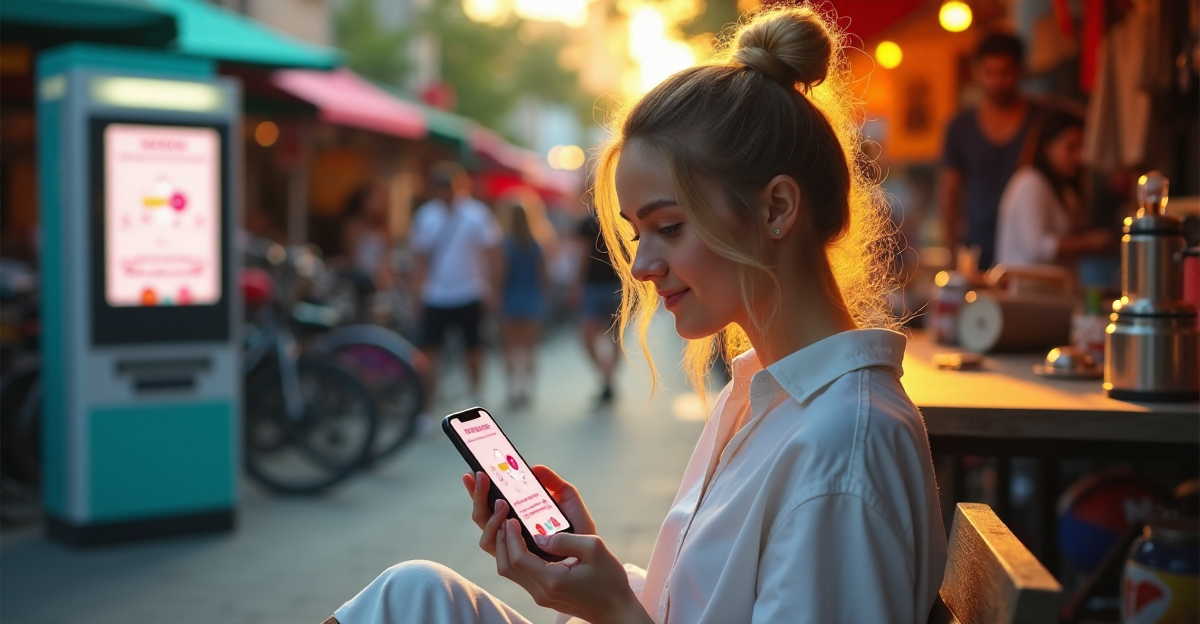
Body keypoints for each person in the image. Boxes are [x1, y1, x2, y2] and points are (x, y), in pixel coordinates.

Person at [328, 6, 946, 623]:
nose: (642, 266)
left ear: (776, 208)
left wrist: (616, 609)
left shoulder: (843, 445)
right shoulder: (774, 392)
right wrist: (594, 572)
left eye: (669, 227)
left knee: (404, 602)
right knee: (412, 594)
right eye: (637, 232)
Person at [940, 32, 1040, 270]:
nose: (997, 82)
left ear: (1020, 71)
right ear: (976, 72)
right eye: (989, 73)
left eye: (1005, 73)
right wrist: (952, 253)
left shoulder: (1040, 120)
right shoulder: (959, 127)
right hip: (978, 251)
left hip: (1030, 251)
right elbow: (949, 194)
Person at [409, 161, 502, 407]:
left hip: (470, 291)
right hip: (436, 294)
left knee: (473, 348)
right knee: (430, 351)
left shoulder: (476, 214)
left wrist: (492, 287)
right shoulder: (427, 216)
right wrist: (417, 292)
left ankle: (476, 394)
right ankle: (427, 402)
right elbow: (420, 258)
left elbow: (492, 253)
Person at [995, 110, 1116, 268]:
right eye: (1071, 147)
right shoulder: (1030, 182)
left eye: (1082, 147)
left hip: (1051, 289)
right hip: (1025, 289)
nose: (1079, 156)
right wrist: (1089, 243)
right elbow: (1036, 248)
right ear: (1047, 146)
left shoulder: (1065, 190)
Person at [570, 207, 624, 406]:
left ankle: (607, 379)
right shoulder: (616, 219)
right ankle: (607, 378)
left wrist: (576, 286)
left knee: (591, 336)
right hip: (612, 286)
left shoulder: (589, 222)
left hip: (598, 287)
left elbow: (582, 257)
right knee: (614, 339)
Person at [498, 204, 549, 409]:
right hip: (532, 298)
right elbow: (543, 275)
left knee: (511, 347)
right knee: (529, 348)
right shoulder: (535, 244)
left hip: (510, 298)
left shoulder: (505, 245)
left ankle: (513, 388)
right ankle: (526, 388)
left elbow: (501, 274)